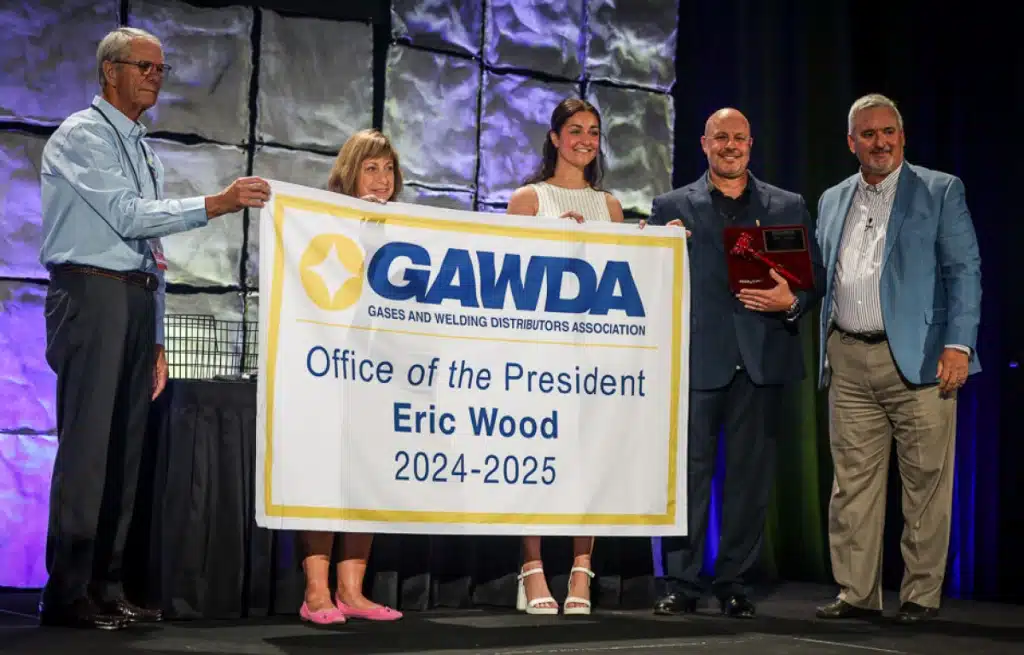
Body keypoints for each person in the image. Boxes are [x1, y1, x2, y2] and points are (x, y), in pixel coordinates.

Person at [38, 27, 270, 630]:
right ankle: (67, 591)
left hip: (136, 299)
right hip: (91, 292)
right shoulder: (82, 135)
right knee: (89, 448)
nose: (155, 77)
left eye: (160, 69)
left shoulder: (143, 149)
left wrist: (160, 336)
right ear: (109, 71)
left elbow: (152, 253)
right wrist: (215, 204)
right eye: (144, 66)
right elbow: (127, 216)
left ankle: (108, 585)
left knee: (125, 451)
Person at [645, 108, 825, 618]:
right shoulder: (671, 206)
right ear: (704, 144)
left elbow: (813, 277)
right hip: (696, 361)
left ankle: (733, 582)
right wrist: (656, 244)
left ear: (751, 143)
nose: (730, 145)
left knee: (749, 481)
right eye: (720, 137)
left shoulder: (786, 205)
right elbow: (649, 278)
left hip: (763, 360)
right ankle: (680, 582)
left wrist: (791, 302)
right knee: (688, 478)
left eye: (739, 138)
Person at [813, 94, 981, 625]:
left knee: (925, 483)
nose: (880, 142)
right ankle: (856, 593)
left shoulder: (940, 189)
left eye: (888, 132)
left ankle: (920, 596)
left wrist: (959, 344)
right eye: (868, 134)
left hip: (922, 359)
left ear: (902, 137)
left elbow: (964, 271)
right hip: (848, 355)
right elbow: (821, 275)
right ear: (851, 142)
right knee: (851, 485)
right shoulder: (832, 199)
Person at [505, 97, 623, 615]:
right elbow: (508, 278)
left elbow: (622, 277)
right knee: (533, 457)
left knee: (588, 458)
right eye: (575, 130)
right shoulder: (527, 199)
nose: (585, 140)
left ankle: (581, 567)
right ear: (554, 137)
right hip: (539, 351)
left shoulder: (610, 206)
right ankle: (530, 567)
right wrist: (550, 241)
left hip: (593, 354)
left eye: (593, 131)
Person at [296, 128, 406, 625]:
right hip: (330, 367)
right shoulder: (322, 220)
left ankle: (352, 592)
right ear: (349, 172)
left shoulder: (406, 227)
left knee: (366, 475)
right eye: (371, 168)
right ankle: (316, 592)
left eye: (389, 169)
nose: (382, 179)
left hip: (383, 369)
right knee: (325, 475)